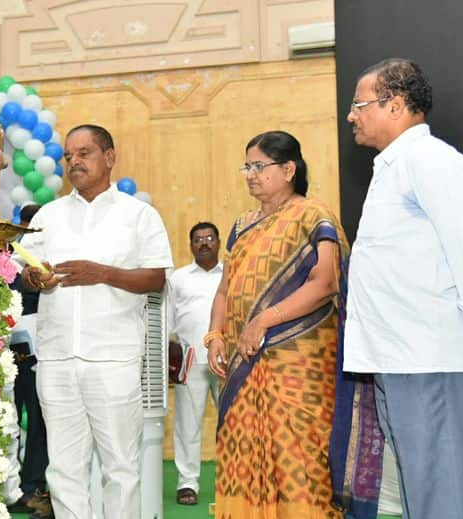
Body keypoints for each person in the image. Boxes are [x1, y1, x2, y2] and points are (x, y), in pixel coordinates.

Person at [344, 58, 463, 519]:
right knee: (421, 491)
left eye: (359, 104)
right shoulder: (393, 167)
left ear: (395, 105)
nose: (351, 115)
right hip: (398, 358)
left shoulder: (431, 160)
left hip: (430, 357)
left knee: (442, 493)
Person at [205, 130, 382, 519]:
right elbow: (224, 290)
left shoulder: (314, 216)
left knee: (299, 459)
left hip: (299, 367)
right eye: (246, 166)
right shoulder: (242, 225)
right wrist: (215, 335)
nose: (250, 174)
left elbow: (325, 283)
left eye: (258, 166)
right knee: (245, 450)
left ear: (288, 169)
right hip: (243, 364)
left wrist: (265, 320)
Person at [19, 124, 173, 519]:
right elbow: (28, 272)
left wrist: (103, 273)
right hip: (55, 360)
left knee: (120, 467)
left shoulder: (138, 215)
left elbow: (155, 277)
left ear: (109, 157)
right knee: (64, 469)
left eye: (83, 153)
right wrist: (36, 277)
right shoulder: (49, 215)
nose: (73, 162)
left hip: (113, 359)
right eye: (68, 156)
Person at [167, 221, 223, 507]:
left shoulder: (231, 275)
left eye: (209, 238)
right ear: (191, 245)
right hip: (191, 361)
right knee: (187, 426)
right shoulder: (179, 278)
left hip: (227, 361)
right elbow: (168, 322)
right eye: (198, 239)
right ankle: (187, 483)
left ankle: (233, 482)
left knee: (233, 425)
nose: (204, 243)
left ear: (218, 242)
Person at [7, 203, 52, 519]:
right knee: (9, 422)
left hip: (42, 358)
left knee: (39, 424)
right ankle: (9, 487)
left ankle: (34, 487)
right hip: (9, 357)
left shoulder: (48, 264)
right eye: (25, 225)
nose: (28, 231)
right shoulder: (7, 264)